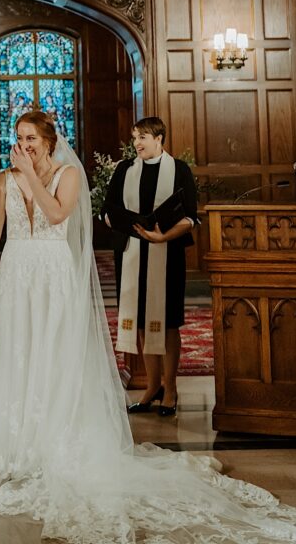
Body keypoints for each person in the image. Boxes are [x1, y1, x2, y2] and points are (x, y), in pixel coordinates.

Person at [0, 110, 296, 544]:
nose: (24, 145)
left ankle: (53, 443)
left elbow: (54, 215)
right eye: (19, 138)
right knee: (18, 354)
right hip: (17, 275)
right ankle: (15, 448)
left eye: (31, 138)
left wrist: (31, 174)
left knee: (55, 356)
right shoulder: (3, 180)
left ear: (49, 141)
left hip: (52, 274)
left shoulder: (68, 175)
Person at [102, 116, 198, 416]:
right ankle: (152, 386)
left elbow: (191, 216)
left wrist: (163, 236)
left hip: (166, 255)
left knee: (167, 323)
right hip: (132, 253)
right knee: (142, 321)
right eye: (134, 137)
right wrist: (120, 222)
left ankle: (170, 388)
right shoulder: (124, 170)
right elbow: (107, 209)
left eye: (143, 137)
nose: (137, 143)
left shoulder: (179, 170)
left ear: (159, 139)